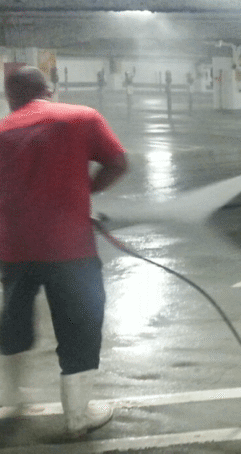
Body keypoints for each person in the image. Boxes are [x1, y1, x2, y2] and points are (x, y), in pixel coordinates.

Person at [0, 65, 128, 437]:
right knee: (79, 326)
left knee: (15, 323)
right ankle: (76, 418)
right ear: (49, 91)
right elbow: (118, 163)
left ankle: (14, 402)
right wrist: (84, 192)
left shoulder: (2, 131)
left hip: (14, 250)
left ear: (11, 98)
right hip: (70, 249)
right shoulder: (81, 117)